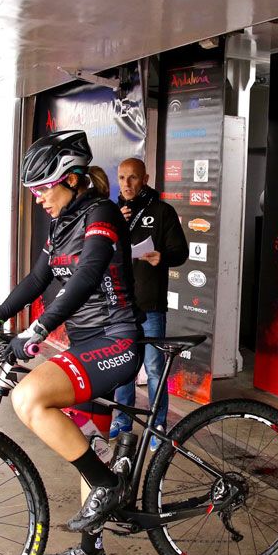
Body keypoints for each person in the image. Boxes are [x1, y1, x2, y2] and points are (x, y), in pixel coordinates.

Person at [0, 130, 142, 555]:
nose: (38, 199)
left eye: (42, 189)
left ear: (70, 179)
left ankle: (108, 485)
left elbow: (87, 275)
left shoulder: (101, 214)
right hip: (87, 345)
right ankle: (91, 548)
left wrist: (38, 328)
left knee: (28, 397)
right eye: (33, 191)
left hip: (116, 340)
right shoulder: (61, 223)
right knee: (90, 447)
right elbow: (37, 279)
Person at [111, 158, 187, 447]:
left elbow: (180, 252)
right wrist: (118, 224)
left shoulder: (162, 211)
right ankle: (122, 421)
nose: (126, 184)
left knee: (154, 370)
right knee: (123, 369)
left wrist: (162, 257)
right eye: (122, 178)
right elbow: (100, 253)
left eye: (133, 177)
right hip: (121, 306)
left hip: (151, 306)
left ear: (145, 178)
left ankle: (157, 426)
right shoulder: (113, 212)